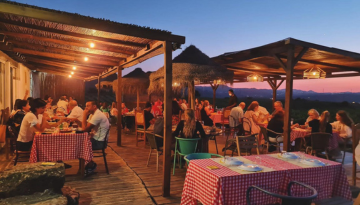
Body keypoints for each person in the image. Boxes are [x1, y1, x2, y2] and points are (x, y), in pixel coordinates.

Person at [79, 101, 110, 175]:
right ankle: (88, 164)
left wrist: (84, 115)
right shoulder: (93, 115)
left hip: (99, 142)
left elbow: (84, 130)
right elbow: (85, 125)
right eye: (86, 106)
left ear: (94, 106)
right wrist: (76, 120)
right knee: (78, 143)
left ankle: (90, 165)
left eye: (88, 106)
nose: (86, 108)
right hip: (96, 139)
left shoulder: (97, 115)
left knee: (79, 145)